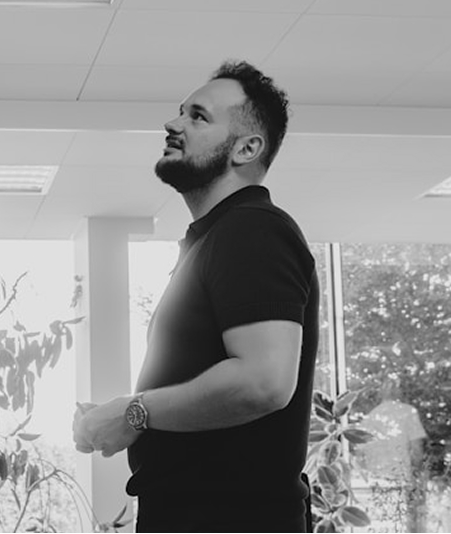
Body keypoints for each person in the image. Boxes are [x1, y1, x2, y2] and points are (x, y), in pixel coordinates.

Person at [72, 62, 319, 532]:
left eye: (198, 117)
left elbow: (264, 381)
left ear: (247, 148)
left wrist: (134, 412)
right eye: (181, 112)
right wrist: (123, 414)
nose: (173, 124)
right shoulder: (215, 239)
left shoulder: (253, 229)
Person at [355, 378, 427, 532]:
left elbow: (359, 457)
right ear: (399, 392)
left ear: (381, 393)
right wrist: (418, 479)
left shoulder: (368, 419)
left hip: (376, 485)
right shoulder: (408, 412)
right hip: (401, 484)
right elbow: (417, 451)